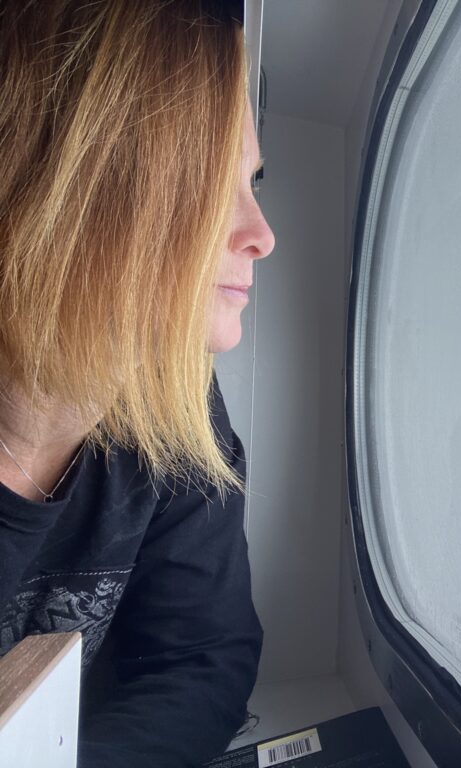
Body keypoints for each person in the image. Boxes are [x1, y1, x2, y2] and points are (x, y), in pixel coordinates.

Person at [0, 1, 274, 765]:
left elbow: (205, 658)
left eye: (252, 182)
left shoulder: (179, 402)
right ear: (80, 184)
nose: (263, 234)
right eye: (212, 184)